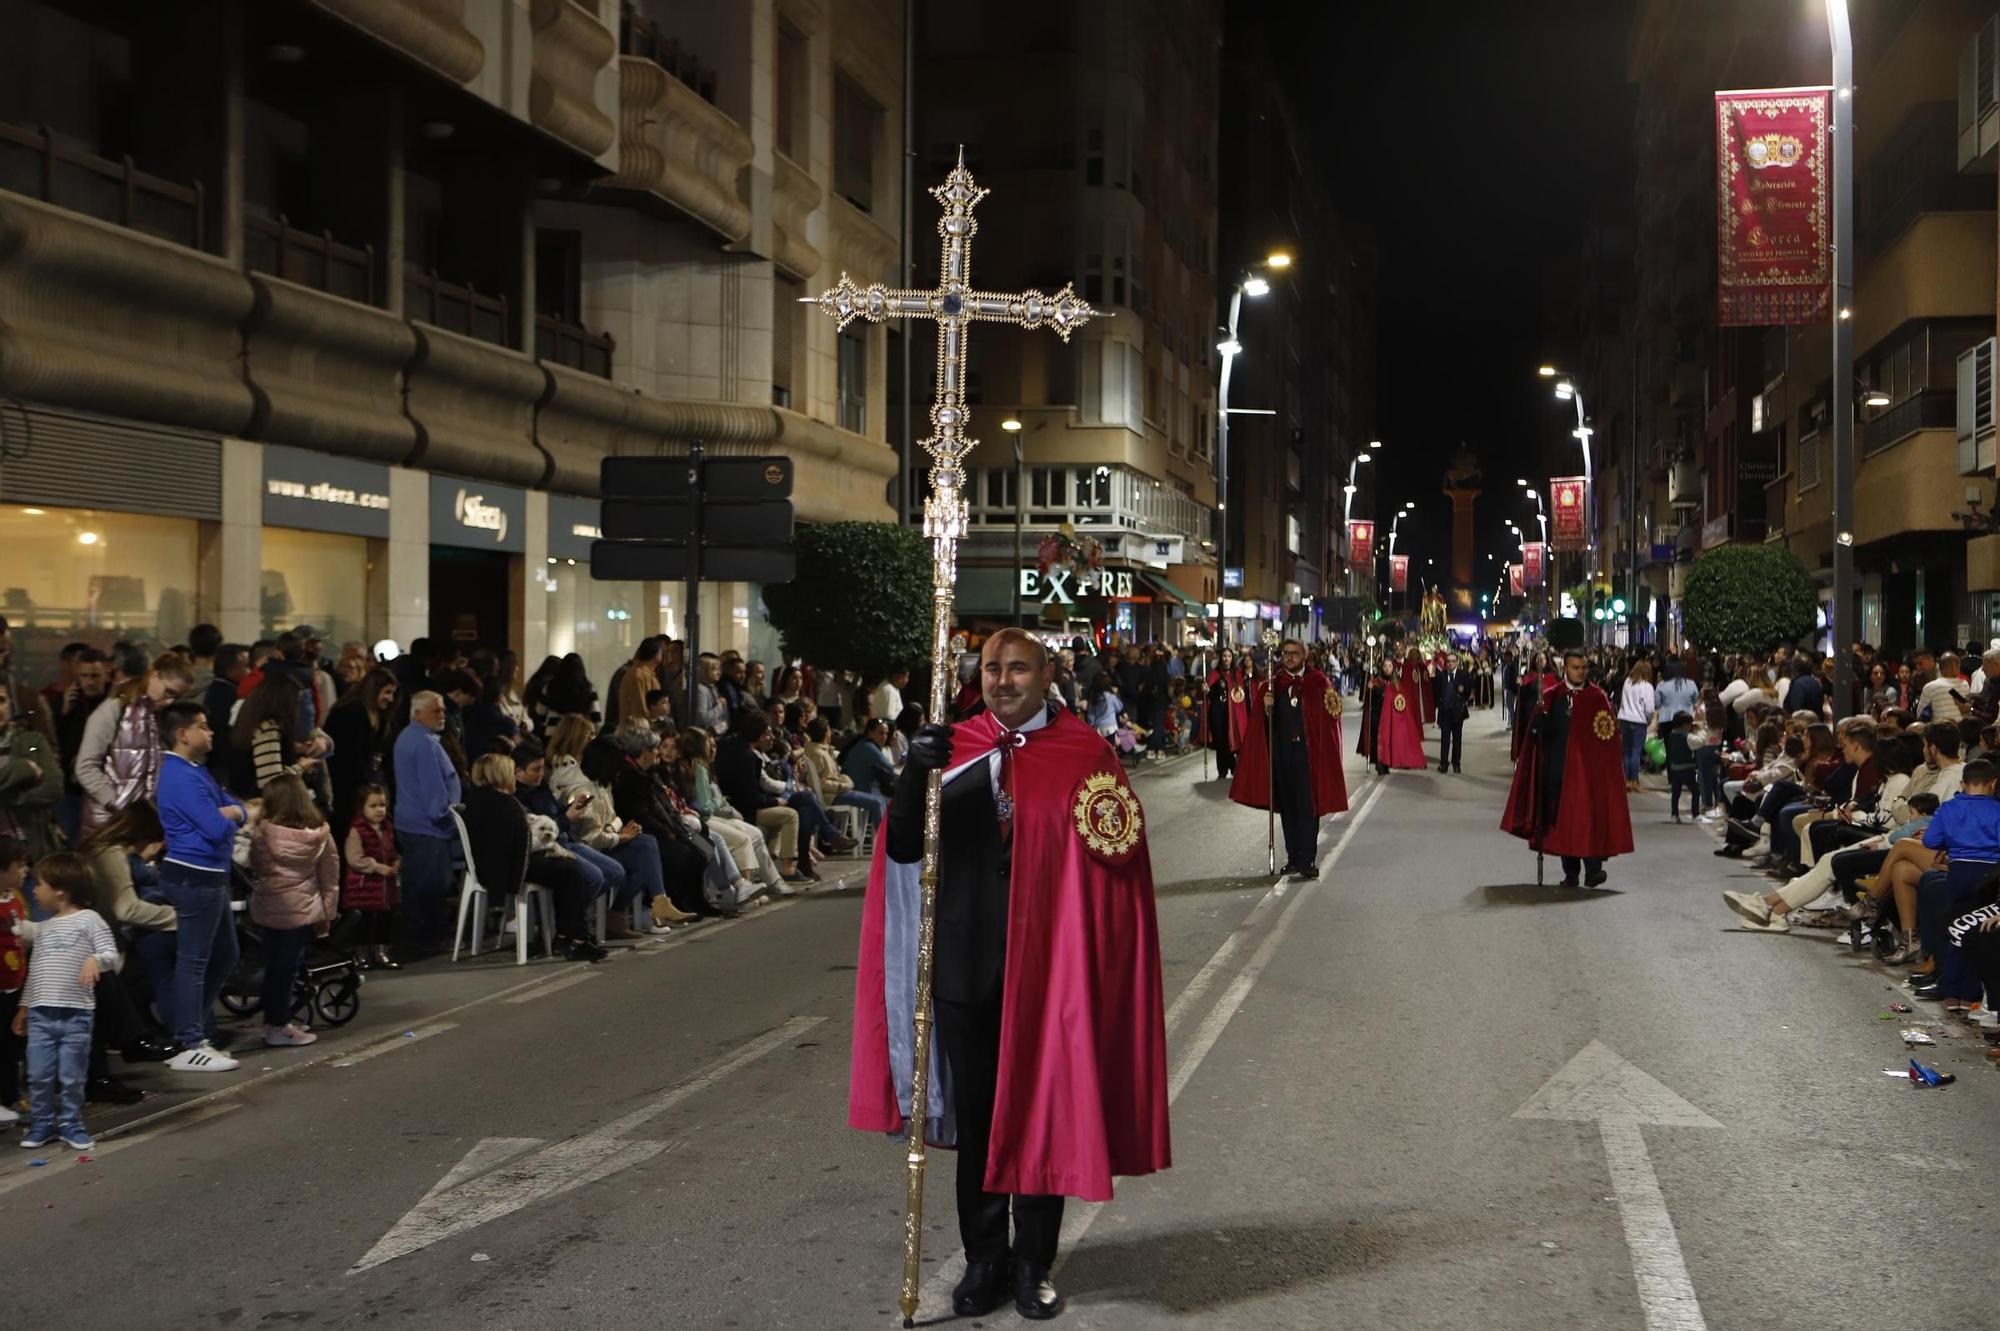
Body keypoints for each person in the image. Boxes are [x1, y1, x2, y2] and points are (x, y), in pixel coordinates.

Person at [849, 628, 1170, 1319]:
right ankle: (985, 1258)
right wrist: (915, 776)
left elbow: (1117, 854)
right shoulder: (952, 746)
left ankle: (1033, 1265)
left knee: (1042, 1118)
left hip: (1052, 973)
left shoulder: (1086, 752)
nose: (1002, 679)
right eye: (991, 668)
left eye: (1017, 667)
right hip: (967, 969)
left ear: (1045, 672)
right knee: (981, 1123)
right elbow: (904, 845)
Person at [1501, 624, 1634, 887]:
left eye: (1584, 668)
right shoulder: (1551, 697)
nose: (1581, 672)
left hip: (1589, 774)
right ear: (1566, 669)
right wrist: (1538, 725)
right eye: (1575, 668)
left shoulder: (1598, 698)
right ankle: (1570, 873)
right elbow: (1537, 735)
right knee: (1563, 822)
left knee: (1588, 819)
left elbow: (1607, 737)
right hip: (1558, 770)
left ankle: (1593, 869)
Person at [153, 701, 247, 1073]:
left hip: (211, 875)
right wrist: (233, 815)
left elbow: (233, 808)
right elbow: (217, 827)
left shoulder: (197, 771)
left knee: (226, 955)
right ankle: (188, 1040)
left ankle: (193, 1027)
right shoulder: (179, 776)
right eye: (204, 726)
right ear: (183, 734)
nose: (211, 733)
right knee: (194, 961)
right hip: (193, 875)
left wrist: (233, 812)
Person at [11, 850, 121, 1150]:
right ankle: (43, 1123)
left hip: (76, 1015)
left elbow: (112, 956)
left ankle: (72, 1123)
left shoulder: (90, 920)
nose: (34, 889)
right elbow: (35, 973)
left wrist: (95, 960)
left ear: (60, 889)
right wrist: (24, 1007)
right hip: (40, 1015)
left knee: (71, 1076)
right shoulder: (45, 928)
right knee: (38, 1075)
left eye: (40, 884)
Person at [462, 754, 608, 961]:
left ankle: (570, 935)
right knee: (570, 871)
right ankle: (574, 938)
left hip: (503, 863)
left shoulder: (482, 799)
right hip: (506, 868)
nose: (513, 776)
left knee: (567, 868)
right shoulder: (500, 803)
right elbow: (517, 841)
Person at [1230, 638, 1348, 878]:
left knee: (1308, 808)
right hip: (1282, 755)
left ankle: (1307, 860)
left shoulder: (1318, 683)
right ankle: (1293, 858)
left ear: (1304, 655)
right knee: (1289, 809)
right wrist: (1266, 707)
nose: (1290, 657)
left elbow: (1330, 719)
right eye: (1286, 654)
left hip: (1308, 756)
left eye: (1295, 653)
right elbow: (1261, 728)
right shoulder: (1273, 685)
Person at [247, 774, 337, 1048]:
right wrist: (327, 915)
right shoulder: (320, 834)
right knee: (288, 970)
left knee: (275, 968)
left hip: (271, 908)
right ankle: (278, 1025)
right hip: (302, 910)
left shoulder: (263, 833)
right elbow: (330, 877)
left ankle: (273, 1021)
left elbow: (255, 864)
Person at [74, 653, 195, 834]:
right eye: (168, 692)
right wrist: (116, 803)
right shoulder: (116, 706)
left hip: (141, 823)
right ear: (154, 676)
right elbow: (85, 766)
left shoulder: (159, 715)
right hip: (108, 822)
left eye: (176, 697)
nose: (169, 701)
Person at [392, 691, 461, 959]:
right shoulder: (425, 744)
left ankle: (417, 939)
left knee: (416, 884)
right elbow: (434, 789)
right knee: (431, 887)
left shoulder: (408, 738)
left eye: (442, 710)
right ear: (417, 713)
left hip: (411, 821)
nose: (442, 715)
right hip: (428, 824)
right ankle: (424, 941)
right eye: (436, 710)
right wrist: (446, 816)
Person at [0, 679, 63, 863]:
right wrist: (23, 768)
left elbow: (54, 788)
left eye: (1, 700)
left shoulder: (32, 742)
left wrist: (13, 798)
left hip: (29, 854)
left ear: (10, 705)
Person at [342, 784, 401, 971]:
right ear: (362, 807)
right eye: (373, 806)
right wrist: (376, 867)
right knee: (365, 922)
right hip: (364, 886)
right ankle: (362, 954)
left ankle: (381, 952)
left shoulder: (387, 827)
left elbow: (391, 850)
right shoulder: (357, 830)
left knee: (385, 920)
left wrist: (396, 861)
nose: (379, 810)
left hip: (384, 886)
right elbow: (354, 858)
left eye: (382, 805)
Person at [1356, 654, 1426, 774]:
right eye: (1385, 666)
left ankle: (1386, 763)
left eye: (1390, 666)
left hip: (1390, 718)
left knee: (1387, 740)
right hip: (1378, 716)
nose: (1387, 668)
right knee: (1379, 741)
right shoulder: (1376, 681)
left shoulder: (1396, 683)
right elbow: (1367, 700)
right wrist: (1369, 689)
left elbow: (1401, 700)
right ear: (1382, 668)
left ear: (1393, 668)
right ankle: (1380, 764)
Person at [0, 837, 28, 1125]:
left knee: (11, 1046)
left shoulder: (15, 901)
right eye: (19, 866)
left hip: (13, 986)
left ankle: (10, 1096)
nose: (25, 871)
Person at [1204, 648, 1249, 780]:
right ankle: (1222, 770)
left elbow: (1240, 694)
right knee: (1221, 741)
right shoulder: (1215, 674)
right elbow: (1208, 691)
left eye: (1229, 656)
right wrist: (1206, 689)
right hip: (1218, 710)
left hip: (1232, 711)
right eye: (1224, 656)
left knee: (1231, 738)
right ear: (1221, 658)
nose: (1227, 659)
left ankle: (1233, 766)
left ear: (1232, 658)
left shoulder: (1237, 674)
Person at [1435, 653, 1476, 775]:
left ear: (1457, 662)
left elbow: (1470, 691)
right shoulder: (1441, 675)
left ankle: (1456, 764)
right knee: (1445, 739)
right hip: (1445, 711)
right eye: (1448, 661)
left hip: (1458, 711)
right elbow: (1436, 692)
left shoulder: (1463, 675)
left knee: (1457, 739)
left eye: (1453, 661)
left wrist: (1464, 691)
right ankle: (1443, 764)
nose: (1450, 663)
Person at [1665, 714, 1699, 822]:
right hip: (1687, 767)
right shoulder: (1687, 736)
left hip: (1675, 768)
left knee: (1676, 793)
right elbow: (1697, 743)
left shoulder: (1672, 735)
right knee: (1696, 791)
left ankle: (1674, 814)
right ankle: (1695, 814)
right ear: (1685, 725)